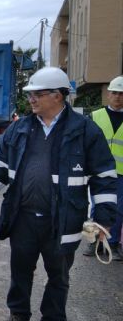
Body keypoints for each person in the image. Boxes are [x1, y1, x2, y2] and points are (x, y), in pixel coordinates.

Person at [0, 67, 117, 321]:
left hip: (63, 220)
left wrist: (103, 219)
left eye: (37, 94)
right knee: (20, 271)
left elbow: (103, 177)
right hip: (23, 217)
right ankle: (18, 313)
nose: (31, 100)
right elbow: (0, 164)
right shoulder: (19, 129)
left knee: (58, 276)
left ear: (58, 96)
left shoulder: (85, 131)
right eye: (30, 95)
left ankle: (53, 316)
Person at [83, 75, 123, 261]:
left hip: (121, 173)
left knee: (117, 209)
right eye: (115, 93)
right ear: (108, 95)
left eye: (122, 94)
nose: (118, 97)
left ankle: (112, 244)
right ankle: (94, 242)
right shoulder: (95, 117)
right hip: (98, 171)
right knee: (96, 207)